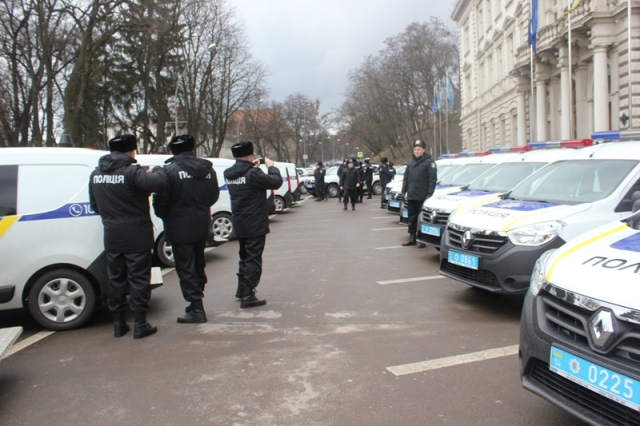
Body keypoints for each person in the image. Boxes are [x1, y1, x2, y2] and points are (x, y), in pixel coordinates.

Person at [89, 134, 166, 339]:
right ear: (132, 151)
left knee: (116, 279)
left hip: (112, 235)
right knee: (139, 279)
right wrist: (156, 170)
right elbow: (157, 183)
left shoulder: (96, 174)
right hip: (137, 235)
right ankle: (140, 324)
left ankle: (119, 324)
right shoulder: (132, 172)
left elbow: (95, 205)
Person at [152, 135, 220, 324]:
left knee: (185, 267)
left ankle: (196, 308)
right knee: (198, 264)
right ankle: (196, 301)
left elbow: (160, 201)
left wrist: (167, 214)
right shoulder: (207, 169)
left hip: (178, 225)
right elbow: (213, 195)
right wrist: (199, 208)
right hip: (201, 223)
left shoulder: (169, 171)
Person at [224, 141, 283, 308]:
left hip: (239, 221)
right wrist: (271, 166)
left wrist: (252, 166)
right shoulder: (253, 173)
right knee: (254, 259)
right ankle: (248, 295)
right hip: (255, 222)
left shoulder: (229, 173)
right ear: (250, 155)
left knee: (244, 257)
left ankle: (241, 290)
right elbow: (275, 181)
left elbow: (244, 174)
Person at [401, 140, 437, 247]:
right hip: (412, 194)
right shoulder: (410, 163)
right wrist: (404, 191)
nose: (416, 151)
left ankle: (421, 239)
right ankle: (412, 237)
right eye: (415, 149)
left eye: (419, 149)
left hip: (422, 195)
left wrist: (430, 194)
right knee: (411, 217)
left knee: (421, 218)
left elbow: (432, 179)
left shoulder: (429, 163)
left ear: (423, 150)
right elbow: (406, 178)